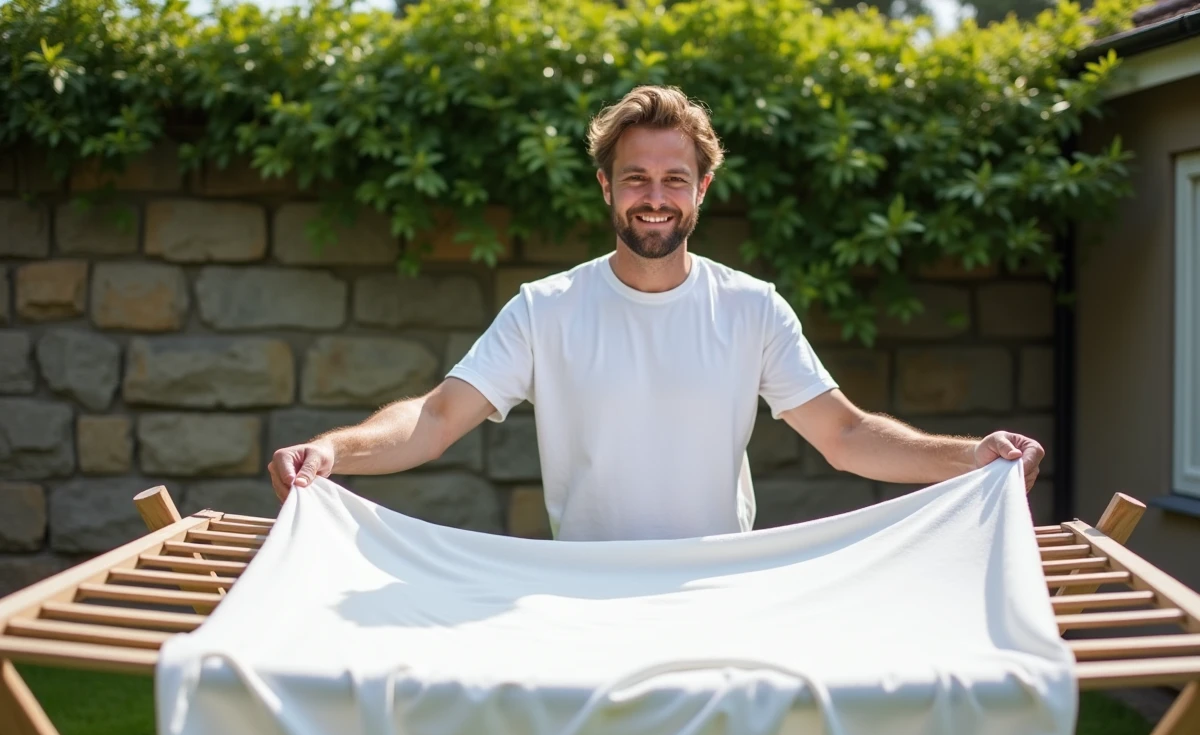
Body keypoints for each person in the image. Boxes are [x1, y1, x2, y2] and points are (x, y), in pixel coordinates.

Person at [269, 85, 1045, 541]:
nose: (654, 197)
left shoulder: (751, 308)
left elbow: (845, 436)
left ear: (702, 191)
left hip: (718, 596)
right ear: (606, 187)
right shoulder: (546, 309)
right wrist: (334, 450)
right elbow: (435, 420)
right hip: (581, 597)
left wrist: (971, 457)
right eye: (635, 177)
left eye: (675, 180)